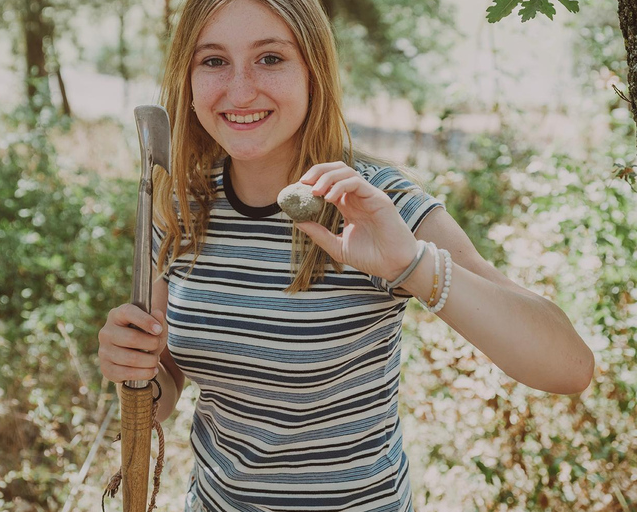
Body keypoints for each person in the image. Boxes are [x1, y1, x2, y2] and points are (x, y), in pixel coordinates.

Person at [98, 0, 595, 510]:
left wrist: (413, 265)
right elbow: (167, 382)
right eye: (214, 60)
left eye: (270, 58)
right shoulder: (181, 205)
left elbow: (568, 367)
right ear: (189, 78)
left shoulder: (377, 204)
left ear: (314, 69)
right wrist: (138, 372)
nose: (240, 89)